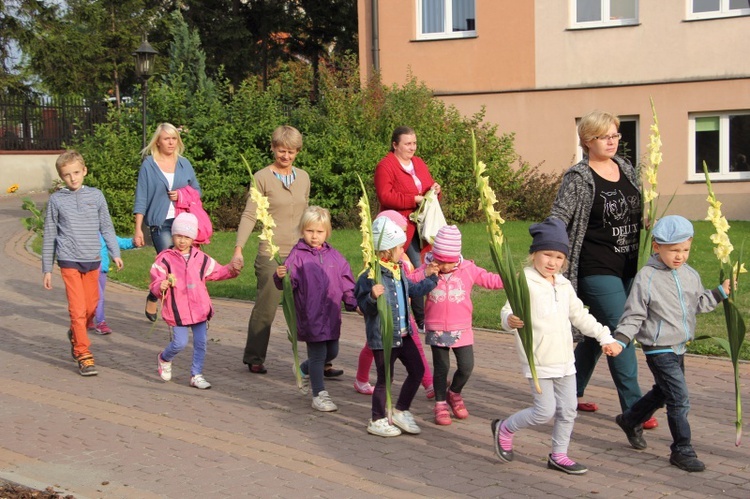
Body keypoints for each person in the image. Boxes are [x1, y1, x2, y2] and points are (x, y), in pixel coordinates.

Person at [550, 110, 657, 429]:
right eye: (605, 136)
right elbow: (558, 216)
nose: (612, 141)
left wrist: (645, 219)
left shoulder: (624, 166)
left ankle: (571, 392)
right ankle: (635, 407)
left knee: (597, 334)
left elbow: (635, 206)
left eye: (616, 136)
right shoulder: (578, 177)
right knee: (622, 331)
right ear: (587, 141)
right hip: (594, 267)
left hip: (627, 264)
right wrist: (548, 255)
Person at [494, 217, 622, 475]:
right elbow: (506, 311)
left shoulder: (563, 285)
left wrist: (604, 337)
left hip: (565, 361)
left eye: (559, 257)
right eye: (547, 255)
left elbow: (580, 316)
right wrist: (509, 320)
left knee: (569, 411)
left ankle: (559, 455)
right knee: (544, 412)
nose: (552, 262)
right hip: (538, 358)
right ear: (534, 254)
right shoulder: (524, 281)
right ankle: (504, 428)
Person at [613, 215, 730, 472]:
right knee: (679, 398)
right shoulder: (647, 277)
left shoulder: (689, 274)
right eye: (673, 250)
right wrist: (622, 338)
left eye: (685, 250)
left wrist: (719, 294)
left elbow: (698, 304)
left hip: (680, 346)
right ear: (657, 247)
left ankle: (630, 419)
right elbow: (634, 313)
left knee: (664, 392)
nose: (680, 256)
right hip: (659, 348)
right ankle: (682, 450)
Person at [232, 125, 318, 375]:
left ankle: (320, 360)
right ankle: (255, 356)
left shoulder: (303, 177)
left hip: (301, 251)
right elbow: (250, 214)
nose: (286, 156)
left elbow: (306, 213)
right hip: (272, 250)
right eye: (282, 151)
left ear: (297, 152)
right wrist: (238, 249)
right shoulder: (262, 177)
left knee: (309, 306)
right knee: (267, 305)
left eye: (291, 152)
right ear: (273, 148)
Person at [42, 150, 124, 376]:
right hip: (69, 260)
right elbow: (49, 233)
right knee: (77, 309)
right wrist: (47, 268)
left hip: (93, 260)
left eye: (76, 173)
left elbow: (106, 226)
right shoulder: (57, 200)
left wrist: (115, 252)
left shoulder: (96, 196)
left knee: (91, 308)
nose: (73, 178)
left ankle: (75, 333)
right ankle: (83, 353)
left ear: (85, 171)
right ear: (61, 177)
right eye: (67, 175)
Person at [355, 217, 438, 437]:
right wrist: (372, 297)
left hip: (404, 334)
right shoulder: (370, 276)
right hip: (384, 338)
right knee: (385, 379)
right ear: (387, 250)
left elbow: (412, 290)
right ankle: (377, 419)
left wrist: (431, 279)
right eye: (400, 247)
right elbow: (362, 306)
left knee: (417, 370)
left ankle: (400, 410)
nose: (403, 250)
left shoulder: (398, 269)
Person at [273, 206, 358, 411]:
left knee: (332, 351)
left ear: (327, 233)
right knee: (319, 355)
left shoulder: (335, 257)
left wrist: (353, 302)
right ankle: (319, 394)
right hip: (309, 315)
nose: (314, 236)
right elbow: (287, 284)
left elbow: (346, 282)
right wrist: (280, 277)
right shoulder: (297, 256)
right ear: (302, 230)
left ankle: (303, 368)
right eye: (310, 231)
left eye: (319, 232)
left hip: (331, 315)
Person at [421, 225, 504, 425]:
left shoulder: (468, 269)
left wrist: (509, 280)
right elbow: (412, 282)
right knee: (442, 367)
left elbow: (489, 279)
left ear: (456, 257)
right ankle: (440, 403)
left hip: (462, 327)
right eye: (440, 261)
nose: (444, 267)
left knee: (466, 366)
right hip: (437, 326)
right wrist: (425, 274)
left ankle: (454, 392)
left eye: (448, 263)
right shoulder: (427, 269)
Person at [153, 213, 241, 390]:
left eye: (186, 237)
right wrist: (159, 285)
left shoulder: (201, 258)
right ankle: (164, 358)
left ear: (193, 238)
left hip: (199, 308)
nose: (182, 241)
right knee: (180, 343)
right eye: (178, 236)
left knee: (201, 343)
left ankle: (196, 374)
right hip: (177, 310)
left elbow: (217, 272)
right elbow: (156, 280)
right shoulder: (165, 259)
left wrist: (231, 270)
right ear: (173, 235)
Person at [374, 126, 441, 331]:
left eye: (414, 143)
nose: (412, 148)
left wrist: (435, 190)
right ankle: (419, 319)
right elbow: (385, 196)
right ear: (395, 145)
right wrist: (412, 200)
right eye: (408, 144)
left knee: (424, 263)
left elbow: (428, 186)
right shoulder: (385, 166)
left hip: (420, 224)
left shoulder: (418, 163)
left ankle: (426, 315)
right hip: (399, 227)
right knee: (414, 266)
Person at [133, 123, 201, 323]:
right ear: (158, 141)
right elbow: (141, 197)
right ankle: (158, 298)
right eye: (166, 139)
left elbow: (197, 190)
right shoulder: (149, 165)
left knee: (186, 266)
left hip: (183, 221)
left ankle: (181, 307)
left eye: (173, 138)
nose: (171, 142)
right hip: (160, 223)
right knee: (170, 265)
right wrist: (138, 229)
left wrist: (181, 195)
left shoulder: (184, 163)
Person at [87, 233, 136, 334]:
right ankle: (101, 323)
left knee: (94, 298)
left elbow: (118, 242)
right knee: (99, 297)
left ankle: (88, 319)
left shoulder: (104, 233)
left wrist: (133, 242)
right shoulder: (86, 232)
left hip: (103, 270)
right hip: (90, 270)